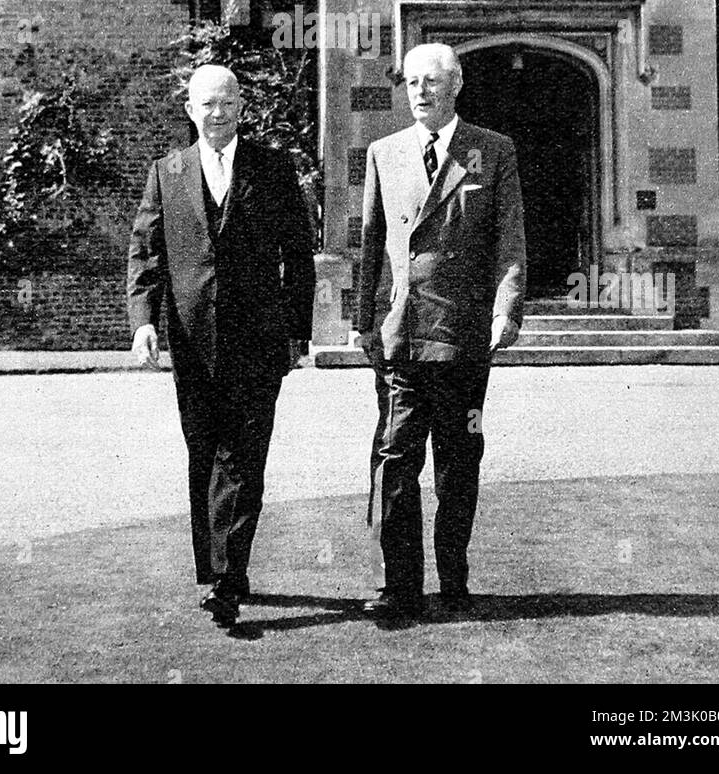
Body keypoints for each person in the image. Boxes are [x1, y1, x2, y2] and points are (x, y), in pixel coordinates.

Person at [127, 63, 315, 628]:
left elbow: (298, 258)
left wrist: (295, 333)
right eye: (206, 104)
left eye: (227, 103)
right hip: (192, 343)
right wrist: (144, 321)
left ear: (241, 107)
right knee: (203, 455)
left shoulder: (274, 170)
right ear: (190, 110)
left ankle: (226, 579)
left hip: (259, 343)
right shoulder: (167, 172)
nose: (217, 113)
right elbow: (146, 252)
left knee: (242, 458)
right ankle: (213, 572)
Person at [358, 43, 526, 623]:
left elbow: (509, 239)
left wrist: (507, 309)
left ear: (456, 84)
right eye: (411, 82)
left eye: (431, 81)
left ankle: (453, 577)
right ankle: (399, 587)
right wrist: (363, 322)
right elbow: (370, 246)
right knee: (395, 458)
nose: (420, 92)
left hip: (462, 336)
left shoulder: (492, 150)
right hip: (402, 334)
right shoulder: (385, 153)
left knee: (459, 461)